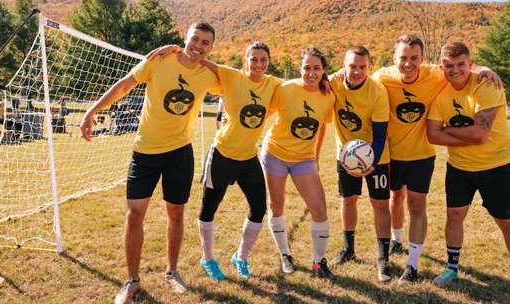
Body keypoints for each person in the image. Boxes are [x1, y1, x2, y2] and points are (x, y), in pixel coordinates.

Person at [79, 23, 221, 303]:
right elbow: (123, 86)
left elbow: (236, 79)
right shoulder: (159, 61)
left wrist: (199, 56)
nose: (199, 45)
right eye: (195, 39)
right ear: (185, 38)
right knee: (134, 215)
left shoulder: (207, 74)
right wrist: (91, 111)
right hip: (145, 153)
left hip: (180, 153)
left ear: (211, 48)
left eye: (206, 43)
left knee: (176, 214)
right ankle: (132, 280)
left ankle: (172, 272)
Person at [146, 41, 282, 280]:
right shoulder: (232, 76)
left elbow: (303, 84)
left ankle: (241, 256)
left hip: (249, 157)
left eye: (263, 60)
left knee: (259, 208)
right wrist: (176, 48)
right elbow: (199, 59)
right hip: (222, 155)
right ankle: (207, 258)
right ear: (245, 61)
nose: (258, 64)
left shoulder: (274, 84)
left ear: (268, 62)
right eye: (254, 59)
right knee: (210, 208)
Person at [372, 34, 501, 285]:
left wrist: (486, 68)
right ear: (394, 58)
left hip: (421, 154)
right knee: (395, 198)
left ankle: (413, 265)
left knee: (417, 205)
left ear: (423, 59)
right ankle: (397, 240)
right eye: (403, 58)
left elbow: (463, 69)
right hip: (390, 154)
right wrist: (341, 73)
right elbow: (356, 78)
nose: (408, 64)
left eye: (414, 58)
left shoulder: (437, 73)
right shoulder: (381, 76)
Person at [427, 42, 510, 304]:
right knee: (454, 215)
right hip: (459, 169)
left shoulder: (486, 84)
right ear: (441, 67)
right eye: (449, 65)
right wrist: (464, 136)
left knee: (507, 222)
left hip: (496, 166)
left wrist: (448, 130)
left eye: (460, 64)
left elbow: (480, 134)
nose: (454, 69)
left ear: (471, 64)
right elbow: (431, 135)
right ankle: (452, 267)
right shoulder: (439, 93)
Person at [262, 47, 336, 280]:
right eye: (307, 68)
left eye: (316, 68)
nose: (311, 73)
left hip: (303, 159)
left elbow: (322, 126)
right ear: (300, 68)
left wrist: (315, 155)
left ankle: (318, 263)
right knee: (277, 205)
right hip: (275, 154)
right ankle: (285, 255)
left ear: (324, 70)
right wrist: (230, 120)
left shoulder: (328, 96)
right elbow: (265, 113)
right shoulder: (285, 89)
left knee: (319, 209)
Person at [328, 46, 392, 282]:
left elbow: (380, 133)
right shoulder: (333, 82)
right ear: (344, 65)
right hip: (345, 155)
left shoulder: (377, 91)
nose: (356, 71)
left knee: (380, 204)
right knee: (348, 200)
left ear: (369, 67)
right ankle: (348, 248)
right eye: (352, 66)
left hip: (376, 156)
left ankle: (383, 258)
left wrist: (371, 161)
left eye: (362, 67)